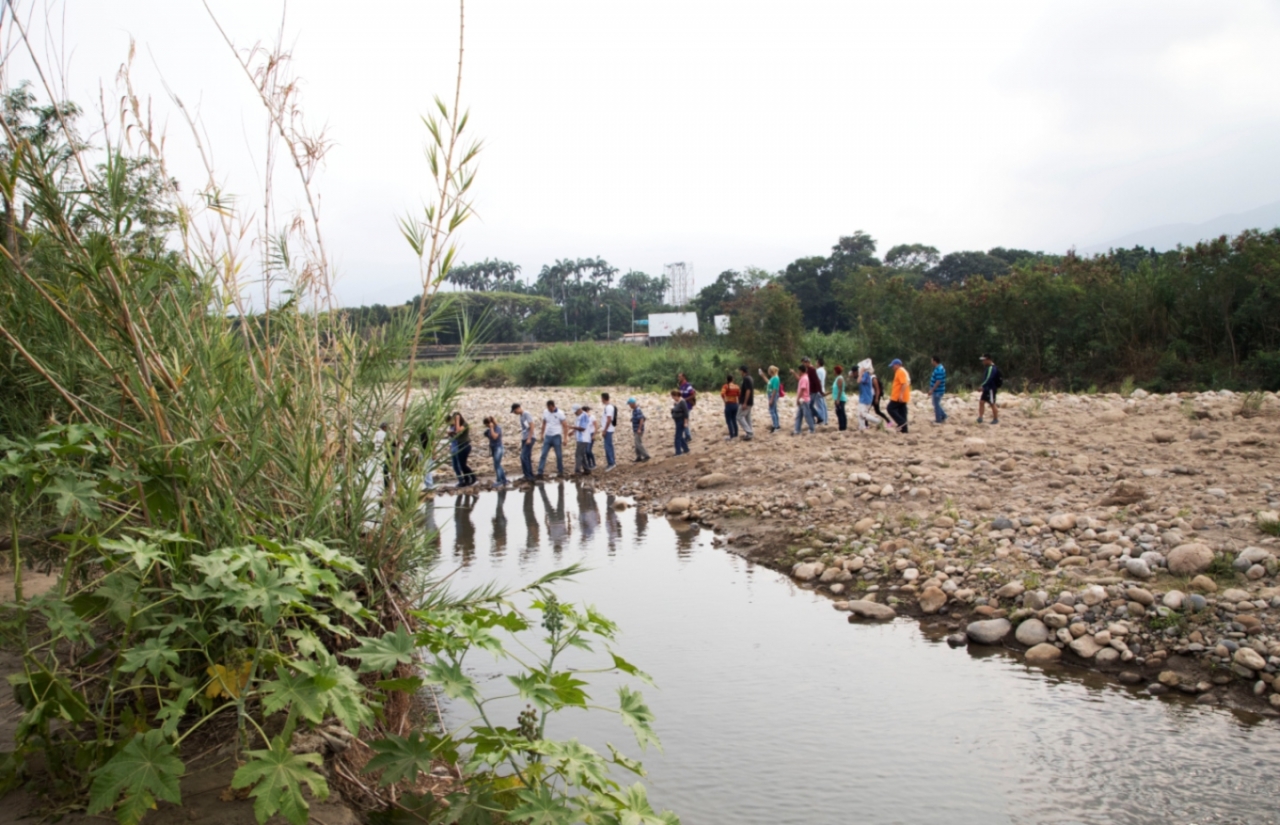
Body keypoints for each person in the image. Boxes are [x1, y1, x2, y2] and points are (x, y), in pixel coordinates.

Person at [537, 399, 566, 478]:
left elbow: (565, 425)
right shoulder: (545, 412)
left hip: (556, 435)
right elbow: (544, 423)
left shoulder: (560, 413)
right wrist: (542, 434)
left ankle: (560, 470)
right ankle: (540, 471)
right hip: (548, 436)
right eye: (548, 408)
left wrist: (565, 438)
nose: (549, 410)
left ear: (553, 406)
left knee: (558, 455)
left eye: (550, 408)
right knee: (543, 454)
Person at [448, 412, 477, 487]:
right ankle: (466, 479)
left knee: (463, 465)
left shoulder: (464, 424)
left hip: (465, 446)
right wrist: (451, 433)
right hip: (460, 446)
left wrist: (457, 420)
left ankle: (473, 477)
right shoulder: (458, 425)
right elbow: (456, 434)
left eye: (455, 419)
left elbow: (458, 431)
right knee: (461, 464)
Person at [512, 403, 535, 482]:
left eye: (515, 411)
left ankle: (528, 476)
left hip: (529, 438)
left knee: (523, 456)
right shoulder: (521, 416)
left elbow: (531, 426)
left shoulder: (526, 414)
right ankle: (528, 474)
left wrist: (529, 438)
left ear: (518, 408)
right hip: (524, 438)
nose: (515, 413)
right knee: (526, 457)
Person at [483, 416, 508, 487]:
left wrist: (491, 428)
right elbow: (486, 434)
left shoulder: (497, 428)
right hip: (493, 448)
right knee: (497, 464)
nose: (487, 426)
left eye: (487, 425)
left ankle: (499, 480)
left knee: (497, 464)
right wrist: (489, 429)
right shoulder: (489, 430)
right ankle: (504, 480)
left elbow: (494, 436)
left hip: (498, 448)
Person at [887, 359, 911, 433]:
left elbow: (904, 383)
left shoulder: (900, 371)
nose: (892, 368)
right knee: (902, 411)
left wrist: (900, 395)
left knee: (890, 408)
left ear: (897, 365)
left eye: (893, 366)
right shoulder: (903, 371)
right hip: (904, 395)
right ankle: (904, 429)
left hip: (898, 396)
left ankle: (901, 422)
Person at [978, 354, 1002, 425]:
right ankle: (980, 417)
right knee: (981, 402)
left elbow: (989, 378)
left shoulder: (992, 368)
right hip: (987, 388)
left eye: (984, 360)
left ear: (988, 359)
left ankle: (995, 419)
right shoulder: (988, 367)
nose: (983, 362)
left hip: (991, 389)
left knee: (992, 403)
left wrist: (982, 385)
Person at [572, 404, 595, 475]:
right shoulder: (579, 416)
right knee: (582, 454)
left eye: (575, 412)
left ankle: (577, 471)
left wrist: (572, 427)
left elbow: (583, 428)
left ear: (579, 410)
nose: (574, 413)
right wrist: (573, 431)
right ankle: (587, 469)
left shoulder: (584, 416)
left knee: (578, 454)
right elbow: (578, 426)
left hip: (583, 439)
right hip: (580, 438)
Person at [792, 366, 815, 434]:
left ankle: (812, 429)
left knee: (807, 415)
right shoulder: (803, 377)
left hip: (804, 399)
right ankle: (797, 429)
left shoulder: (804, 378)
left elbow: (802, 389)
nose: (798, 372)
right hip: (803, 400)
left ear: (801, 371)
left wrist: (798, 399)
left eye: (798, 371)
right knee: (799, 415)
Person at [856, 360, 877, 430]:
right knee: (859, 414)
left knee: (863, 414)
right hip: (864, 397)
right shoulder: (865, 374)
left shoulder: (866, 375)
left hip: (866, 398)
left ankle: (878, 422)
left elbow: (858, 381)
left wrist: (861, 372)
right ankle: (862, 427)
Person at [628, 397, 650, 462]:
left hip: (638, 429)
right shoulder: (635, 410)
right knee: (636, 443)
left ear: (632, 404)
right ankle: (638, 456)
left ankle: (646, 456)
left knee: (638, 443)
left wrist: (639, 429)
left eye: (629, 404)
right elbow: (642, 417)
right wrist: (633, 419)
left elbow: (641, 419)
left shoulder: (637, 410)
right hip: (635, 429)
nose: (629, 406)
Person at [761, 365, 781, 432]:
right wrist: (763, 376)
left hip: (773, 394)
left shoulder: (775, 378)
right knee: (774, 410)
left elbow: (775, 389)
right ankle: (776, 424)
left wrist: (771, 399)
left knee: (772, 410)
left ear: (771, 371)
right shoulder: (773, 378)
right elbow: (768, 383)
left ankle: (775, 426)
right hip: (771, 394)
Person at [600, 393, 618, 471]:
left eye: (601, 398)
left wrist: (605, 430)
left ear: (604, 398)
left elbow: (609, 419)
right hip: (609, 429)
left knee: (608, 447)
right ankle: (611, 462)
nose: (601, 400)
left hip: (608, 430)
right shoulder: (608, 407)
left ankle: (611, 463)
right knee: (608, 446)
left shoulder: (609, 408)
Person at [721, 372, 741, 440]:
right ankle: (736, 434)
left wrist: (725, 401)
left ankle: (731, 435)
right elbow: (739, 395)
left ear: (727, 379)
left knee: (729, 420)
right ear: (732, 379)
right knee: (734, 419)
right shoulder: (737, 386)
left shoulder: (726, 386)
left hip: (729, 404)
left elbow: (722, 394)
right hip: (735, 404)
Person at [677, 373, 697, 441]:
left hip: (687, 405)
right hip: (682, 405)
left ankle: (688, 436)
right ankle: (687, 435)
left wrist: (685, 400)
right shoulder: (681, 386)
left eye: (680, 376)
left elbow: (693, 394)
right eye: (678, 376)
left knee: (685, 421)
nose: (678, 378)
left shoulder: (687, 385)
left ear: (684, 377)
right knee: (684, 420)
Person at [737, 365, 754, 440]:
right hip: (750, 401)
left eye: (740, 371)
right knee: (747, 417)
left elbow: (748, 390)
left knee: (739, 416)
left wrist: (745, 402)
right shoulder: (750, 378)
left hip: (746, 401)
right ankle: (749, 433)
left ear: (742, 371)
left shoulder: (746, 379)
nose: (739, 372)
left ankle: (749, 432)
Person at [671, 389, 690, 455]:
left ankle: (678, 452)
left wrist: (685, 422)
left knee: (677, 437)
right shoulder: (677, 402)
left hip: (681, 421)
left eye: (673, 397)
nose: (673, 398)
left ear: (676, 395)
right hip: (677, 420)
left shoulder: (682, 402)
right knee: (680, 436)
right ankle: (686, 449)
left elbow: (686, 413)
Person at [929, 356, 948, 425]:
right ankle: (943, 415)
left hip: (938, 391)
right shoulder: (939, 368)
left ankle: (938, 420)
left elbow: (938, 381)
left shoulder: (939, 369)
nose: (931, 362)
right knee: (935, 404)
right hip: (938, 390)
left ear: (935, 361)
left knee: (936, 405)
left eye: (932, 361)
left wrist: (932, 390)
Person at [832, 365, 848, 431]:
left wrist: (838, 399)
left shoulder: (839, 378)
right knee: (839, 412)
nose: (833, 372)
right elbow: (835, 389)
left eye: (834, 370)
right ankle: (842, 426)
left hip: (840, 399)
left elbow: (840, 389)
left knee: (840, 412)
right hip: (837, 398)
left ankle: (842, 427)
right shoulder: (837, 378)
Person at [815, 357, 829, 425]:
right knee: (823, 405)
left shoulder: (818, 370)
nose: (816, 363)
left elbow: (818, 380)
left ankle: (821, 420)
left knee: (819, 405)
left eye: (816, 362)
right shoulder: (824, 370)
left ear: (819, 363)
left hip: (819, 389)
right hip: (823, 388)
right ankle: (826, 420)